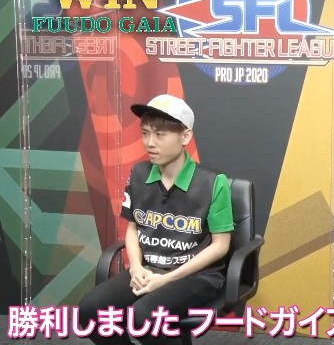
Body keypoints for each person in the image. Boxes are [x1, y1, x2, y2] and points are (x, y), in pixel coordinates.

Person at [79, 94, 234, 345]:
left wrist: (166, 279)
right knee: (91, 310)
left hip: (197, 276)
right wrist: (136, 268)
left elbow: (221, 246)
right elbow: (132, 229)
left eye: (160, 134)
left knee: (145, 317)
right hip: (149, 269)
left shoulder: (214, 182)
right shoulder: (139, 174)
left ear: (185, 136)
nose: (150, 143)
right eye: (145, 133)